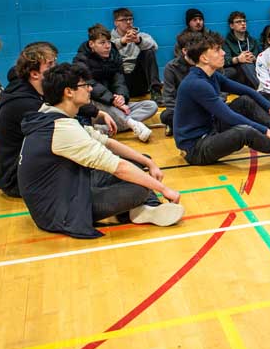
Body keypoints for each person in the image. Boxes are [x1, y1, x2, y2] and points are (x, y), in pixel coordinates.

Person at [18, 62, 184, 238]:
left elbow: (108, 143)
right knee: (140, 187)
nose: (90, 89)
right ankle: (142, 207)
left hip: (67, 187)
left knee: (138, 161)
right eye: (84, 85)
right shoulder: (61, 128)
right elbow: (118, 167)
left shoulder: (51, 114)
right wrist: (163, 189)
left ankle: (142, 209)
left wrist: (148, 162)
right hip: (59, 210)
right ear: (68, 92)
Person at [173, 33, 270, 164]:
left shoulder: (211, 75)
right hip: (196, 148)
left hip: (210, 129)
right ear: (204, 58)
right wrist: (267, 131)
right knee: (244, 132)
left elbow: (246, 91)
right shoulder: (197, 84)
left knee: (245, 102)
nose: (223, 53)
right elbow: (228, 116)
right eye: (217, 50)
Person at [0, 42, 117, 197]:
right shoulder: (25, 102)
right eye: (50, 64)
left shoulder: (33, 88)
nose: (56, 68)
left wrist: (97, 112)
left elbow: (61, 96)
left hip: (20, 171)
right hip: (15, 179)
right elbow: (64, 115)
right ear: (35, 74)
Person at [75, 24, 157, 142]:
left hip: (114, 103)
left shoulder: (113, 54)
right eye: (102, 43)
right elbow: (90, 84)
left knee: (151, 106)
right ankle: (132, 124)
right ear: (92, 44)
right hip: (96, 107)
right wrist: (112, 100)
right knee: (98, 100)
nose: (107, 46)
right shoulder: (80, 59)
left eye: (108, 42)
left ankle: (106, 129)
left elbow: (119, 79)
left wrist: (121, 96)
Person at [110, 8, 163, 104]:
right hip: (120, 82)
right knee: (108, 55)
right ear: (116, 23)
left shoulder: (141, 35)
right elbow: (104, 51)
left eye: (130, 19)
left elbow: (155, 47)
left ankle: (156, 91)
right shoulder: (108, 38)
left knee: (148, 52)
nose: (129, 22)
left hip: (139, 81)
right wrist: (122, 41)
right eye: (124, 20)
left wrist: (139, 41)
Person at [161, 30, 205, 137]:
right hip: (183, 110)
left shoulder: (208, 62)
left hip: (207, 107)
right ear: (185, 51)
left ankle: (187, 127)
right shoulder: (171, 68)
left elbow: (221, 92)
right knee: (166, 116)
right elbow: (169, 98)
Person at [223, 11, 260, 88]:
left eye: (244, 21)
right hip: (238, 74)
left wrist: (254, 58)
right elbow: (224, 61)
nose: (243, 24)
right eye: (238, 22)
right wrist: (238, 59)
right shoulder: (226, 42)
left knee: (248, 62)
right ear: (231, 26)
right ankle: (260, 89)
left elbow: (261, 57)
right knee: (244, 63)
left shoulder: (253, 40)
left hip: (254, 70)